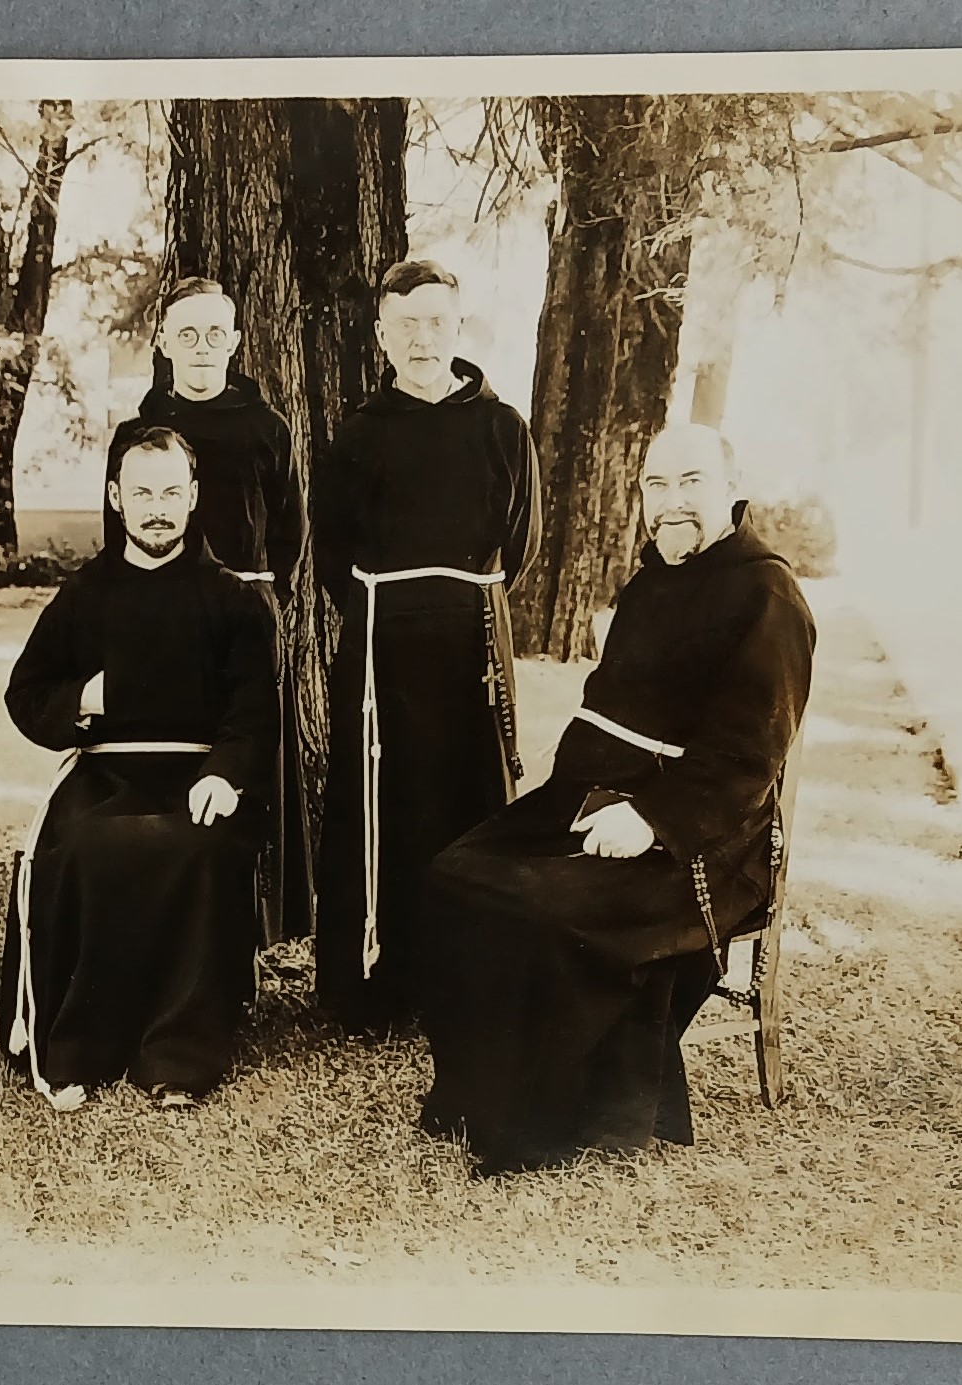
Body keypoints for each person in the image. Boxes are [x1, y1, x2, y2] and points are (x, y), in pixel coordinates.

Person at [418, 424, 817, 1175]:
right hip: (606, 799)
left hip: (708, 841)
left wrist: (652, 820)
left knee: (550, 908)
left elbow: (745, 760)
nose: (671, 503)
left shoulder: (768, 595)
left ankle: (545, 1125)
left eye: (691, 482)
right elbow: (609, 709)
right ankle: (475, 1095)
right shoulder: (651, 582)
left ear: (733, 488)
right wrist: (573, 794)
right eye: (655, 486)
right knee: (457, 872)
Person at [1, 424, 279, 1111]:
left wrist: (225, 772)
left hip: (199, 774)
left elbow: (253, 710)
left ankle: (176, 1054)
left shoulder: (234, 598)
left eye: (171, 493)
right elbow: (25, 693)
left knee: (196, 845)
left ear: (193, 497)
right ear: (116, 498)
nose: (158, 509)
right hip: (104, 772)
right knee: (83, 842)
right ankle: (80, 1046)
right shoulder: (84, 594)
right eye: (143, 493)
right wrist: (83, 699)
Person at [311, 259, 541, 1034]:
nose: (422, 338)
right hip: (382, 650)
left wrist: (458, 601)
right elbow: (332, 552)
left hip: (472, 646)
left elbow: (522, 542)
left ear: (458, 327)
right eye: (405, 324)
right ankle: (374, 986)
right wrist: (396, 611)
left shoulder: (502, 428)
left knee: (471, 804)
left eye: (436, 321)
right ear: (381, 336)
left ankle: (467, 987)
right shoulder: (358, 434)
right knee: (385, 806)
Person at [105, 277, 309, 944]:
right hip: (165, 620)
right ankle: (171, 920)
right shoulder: (138, 434)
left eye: (214, 334)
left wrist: (260, 599)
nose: (201, 347)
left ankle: (248, 930)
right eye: (186, 334)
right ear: (164, 343)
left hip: (245, 616)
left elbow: (291, 530)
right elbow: (117, 542)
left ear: (235, 342)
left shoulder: (267, 428)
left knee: (244, 757)